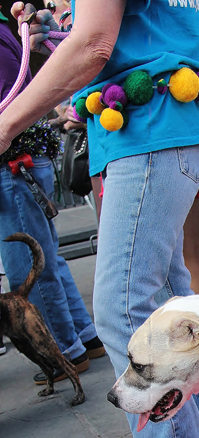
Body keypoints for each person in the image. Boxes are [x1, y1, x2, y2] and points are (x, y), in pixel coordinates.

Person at [0, 0, 199, 438]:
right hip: (164, 130)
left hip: (148, 135)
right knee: (167, 299)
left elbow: (95, 44)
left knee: (123, 309)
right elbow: (118, 32)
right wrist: (56, 32)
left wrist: (6, 123)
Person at [0, 12, 104, 380]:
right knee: (44, 259)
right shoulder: (6, 32)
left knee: (28, 268)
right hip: (22, 159)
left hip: (13, 161)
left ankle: (63, 353)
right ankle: (83, 340)